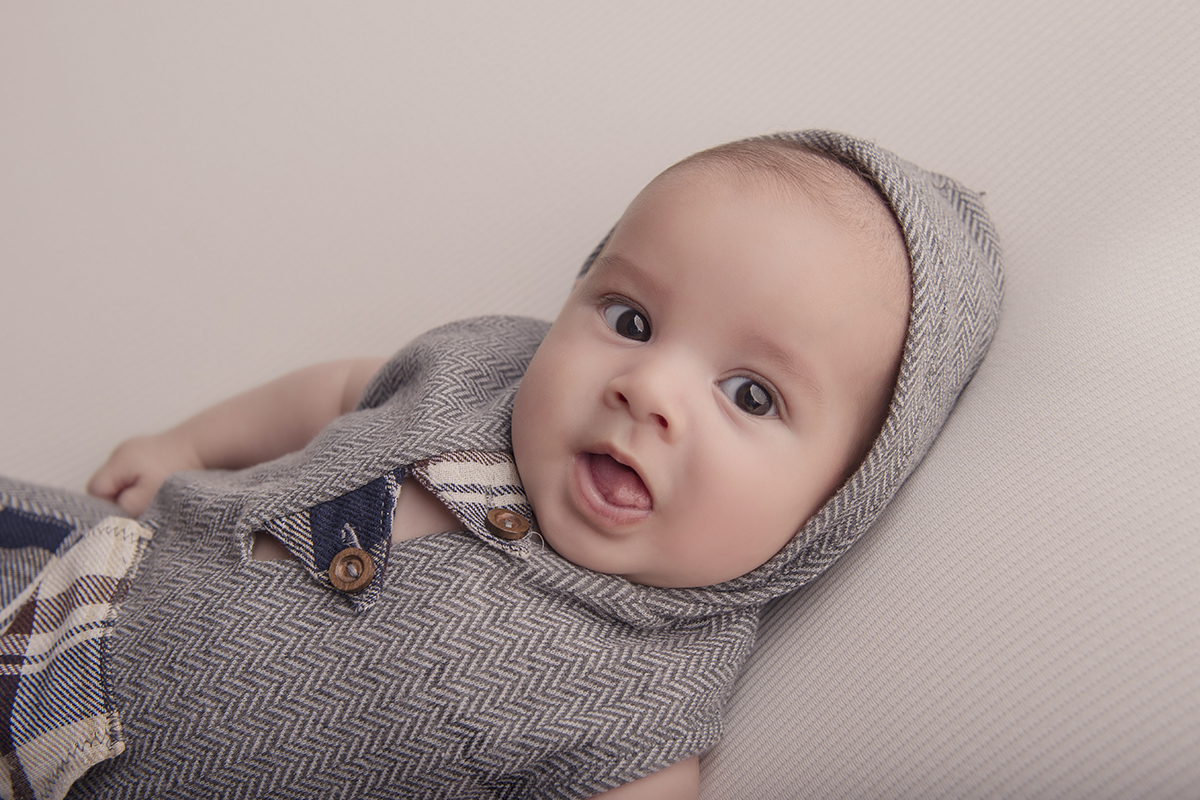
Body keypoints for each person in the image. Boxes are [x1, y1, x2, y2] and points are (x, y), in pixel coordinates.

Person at [0, 130, 1002, 800]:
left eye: (751, 394)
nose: (649, 388)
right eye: (631, 318)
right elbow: (338, 390)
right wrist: (187, 441)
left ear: (839, 499)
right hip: (86, 567)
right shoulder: (483, 369)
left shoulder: (643, 710)